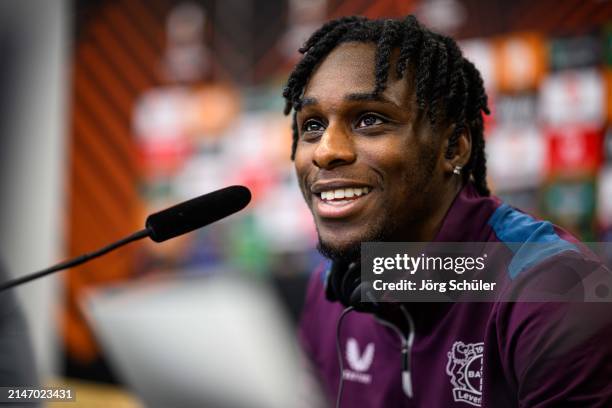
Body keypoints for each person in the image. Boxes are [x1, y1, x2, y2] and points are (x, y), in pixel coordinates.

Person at [282, 15, 612, 407]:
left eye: (370, 119)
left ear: (453, 148)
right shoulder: (330, 292)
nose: (325, 150)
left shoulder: (556, 292)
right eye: (313, 125)